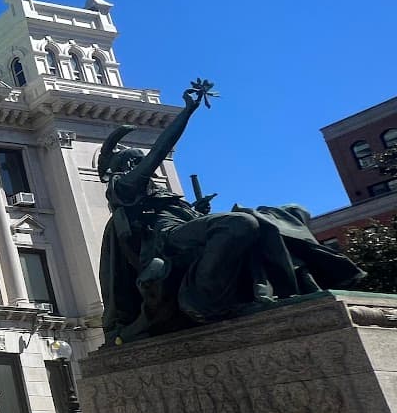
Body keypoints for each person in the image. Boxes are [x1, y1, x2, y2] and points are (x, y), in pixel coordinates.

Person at [97, 80, 362, 343]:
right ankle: (203, 298)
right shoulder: (124, 187)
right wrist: (186, 113)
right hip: (164, 240)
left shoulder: (158, 194)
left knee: (281, 214)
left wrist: (197, 212)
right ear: (129, 166)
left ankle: (287, 285)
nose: (149, 167)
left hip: (181, 232)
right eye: (140, 162)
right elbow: (159, 151)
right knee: (240, 224)